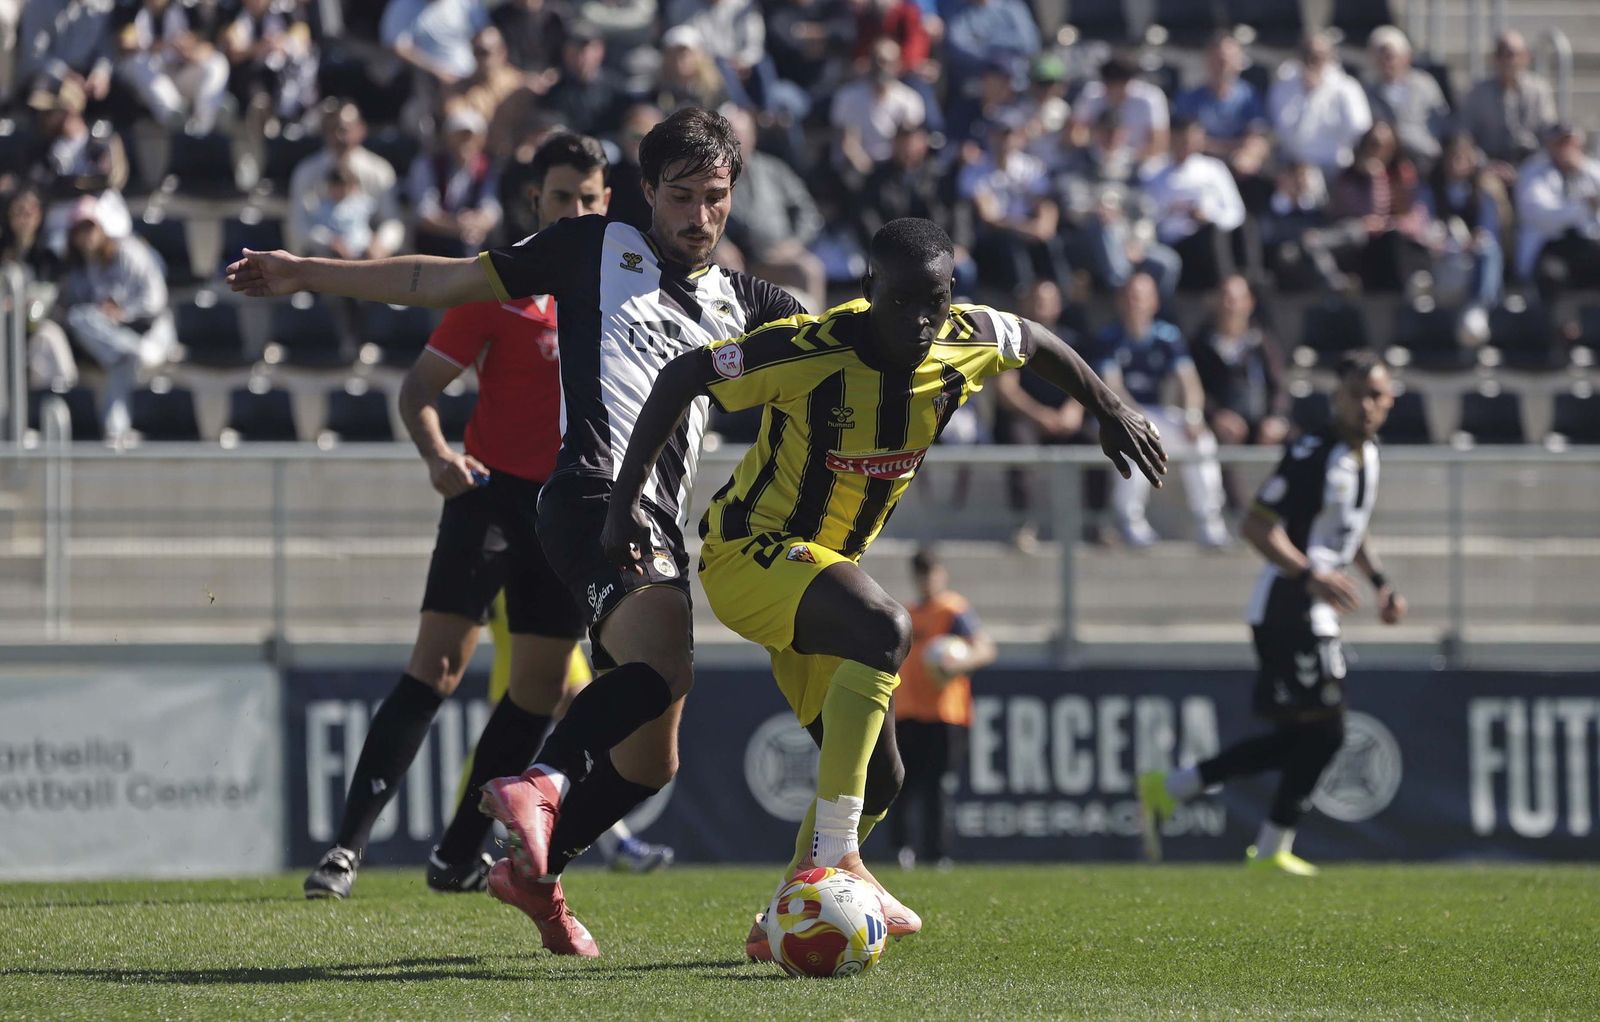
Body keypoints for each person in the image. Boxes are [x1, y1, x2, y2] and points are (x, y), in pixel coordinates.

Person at [230, 107, 806, 957]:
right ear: (646, 192)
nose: (698, 214)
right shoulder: (590, 246)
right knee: (657, 667)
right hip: (589, 497)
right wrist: (306, 271)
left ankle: (535, 875)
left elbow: (837, 355)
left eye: (714, 197)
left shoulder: (749, 303)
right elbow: (438, 280)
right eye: (680, 196)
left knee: (652, 759)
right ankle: (535, 782)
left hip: (655, 517)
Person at [596, 216, 1165, 960]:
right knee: (886, 626)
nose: (920, 321)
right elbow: (683, 375)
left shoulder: (966, 336)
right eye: (901, 302)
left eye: (934, 301)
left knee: (883, 777)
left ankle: (785, 914)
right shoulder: (811, 349)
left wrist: (1110, 407)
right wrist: (624, 506)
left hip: (822, 581)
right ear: (868, 289)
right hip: (748, 554)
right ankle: (839, 857)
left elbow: (1036, 340)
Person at [299, 133, 610, 903]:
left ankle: (457, 855)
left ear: (607, 203)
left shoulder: (617, 296)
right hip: (490, 499)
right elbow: (417, 393)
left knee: (539, 689)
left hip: (566, 511)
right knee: (435, 667)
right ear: (535, 200)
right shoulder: (496, 288)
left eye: (589, 198)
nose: (576, 211)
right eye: (562, 196)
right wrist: (439, 456)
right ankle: (345, 848)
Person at [1139, 352, 1407, 876]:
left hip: (1315, 609)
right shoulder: (1313, 454)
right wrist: (1310, 575)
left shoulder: (1368, 455)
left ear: (1390, 400)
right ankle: (1267, 847)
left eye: (1375, 396)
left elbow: (1349, 528)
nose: (1366, 406)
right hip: (1288, 608)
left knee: (1301, 738)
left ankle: (1172, 789)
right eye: (1356, 395)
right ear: (1338, 399)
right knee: (1326, 733)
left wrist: (1381, 583)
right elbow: (1258, 525)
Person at [1093, 272, 1227, 548]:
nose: (1135, 303)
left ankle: (1209, 520)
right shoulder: (1109, 337)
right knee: (1133, 438)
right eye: (1130, 297)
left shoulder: (1167, 336)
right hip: (1118, 416)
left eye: (1141, 297)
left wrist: (1193, 416)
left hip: (1156, 414)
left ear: (1154, 301)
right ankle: (1130, 521)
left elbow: (1189, 382)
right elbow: (1112, 388)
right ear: (1120, 301)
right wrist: (1136, 417)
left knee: (1201, 440)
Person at [889, 547, 995, 870]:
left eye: (931, 573)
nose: (926, 581)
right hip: (909, 710)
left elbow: (985, 648)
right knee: (900, 783)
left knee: (937, 785)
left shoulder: (953, 611)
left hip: (943, 712)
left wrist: (960, 662)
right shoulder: (907, 613)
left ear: (942, 574)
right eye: (921, 574)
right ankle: (901, 850)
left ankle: (937, 854)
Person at [57, 195, 175, 441]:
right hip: (115, 342)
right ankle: (117, 432)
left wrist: (123, 313)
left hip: (149, 335)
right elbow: (73, 309)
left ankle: (128, 354)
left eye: (90, 227)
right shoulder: (78, 268)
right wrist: (104, 314)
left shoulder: (130, 251)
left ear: (102, 228)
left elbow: (156, 299)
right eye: (79, 230)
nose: (86, 235)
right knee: (81, 319)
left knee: (120, 358)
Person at [1140, 116, 1245, 292]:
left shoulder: (1214, 168)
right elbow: (1147, 215)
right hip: (1174, 243)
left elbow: (1236, 212)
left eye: (1191, 141)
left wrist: (1209, 217)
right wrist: (1173, 210)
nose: (1186, 146)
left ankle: (1232, 287)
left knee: (1233, 231)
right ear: (1171, 139)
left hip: (1212, 238)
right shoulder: (1153, 172)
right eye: (1181, 141)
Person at [1513, 124, 1600, 303]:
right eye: (1560, 144)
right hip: (1548, 244)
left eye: (1571, 144)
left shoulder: (1591, 170)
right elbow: (1539, 214)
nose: (1566, 150)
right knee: (1551, 275)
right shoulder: (1533, 171)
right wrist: (1582, 207)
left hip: (1587, 241)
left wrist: (1581, 170)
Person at [1268, 31, 1372, 175]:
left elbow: (1358, 127)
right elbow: (1280, 128)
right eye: (1307, 54)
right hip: (1293, 168)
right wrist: (1308, 95)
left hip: (1335, 168)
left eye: (1319, 56)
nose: (1313, 61)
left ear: (1330, 56)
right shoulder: (1283, 87)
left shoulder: (1347, 87)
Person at [1461, 30, 1555, 169]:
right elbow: (1465, 135)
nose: (1511, 61)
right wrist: (1486, 165)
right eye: (1505, 54)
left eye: (1517, 55)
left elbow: (1548, 131)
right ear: (1496, 58)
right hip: (1490, 163)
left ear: (1526, 57)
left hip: (1532, 163)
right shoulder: (1478, 92)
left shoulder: (1539, 90)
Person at [1363, 26, 1450, 172]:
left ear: (1406, 57)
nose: (1386, 62)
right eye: (1380, 57)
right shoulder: (1367, 90)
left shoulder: (1424, 84)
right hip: (1387, 164)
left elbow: (1442, 123)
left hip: (1425, 158)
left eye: (1390, 56)